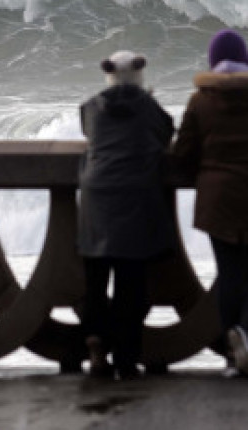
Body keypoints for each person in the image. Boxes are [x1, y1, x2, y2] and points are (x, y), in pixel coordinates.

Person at [78, 50, 175, 377]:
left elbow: (87, 129)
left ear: (108, 74)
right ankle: (125, 356)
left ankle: (94, 340)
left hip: (95, 198)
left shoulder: (92, 108)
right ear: (139, 73)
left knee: (95, 276)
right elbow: (166, 131)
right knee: (130, 282)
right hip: (134, 199)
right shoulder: (147, 108)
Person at [172, 28, 248, 376]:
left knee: (230, 274)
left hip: (218, 201)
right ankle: (243, 335)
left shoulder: (200, 100)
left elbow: (183, 155)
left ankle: (233, 355)